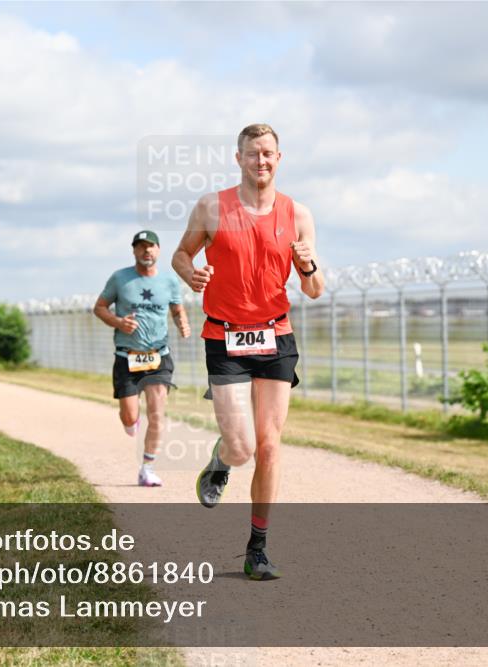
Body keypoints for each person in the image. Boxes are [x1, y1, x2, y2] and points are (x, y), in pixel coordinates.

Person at [172, 123, 324, 580]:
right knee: (242, 447)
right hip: (225, 338)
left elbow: (314, 289)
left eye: (269, 154)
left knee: (270, 446)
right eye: (253, 154)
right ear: (237, 158)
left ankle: (257, 549)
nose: (262, 161)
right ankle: (222, 461)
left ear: (280, 159)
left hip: (275, 336)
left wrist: (307, 264)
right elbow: (181, 254)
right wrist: (190, 274)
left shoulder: (297, 214)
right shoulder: (211, 208)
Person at [93, 230, 190, 487]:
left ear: (158, 250)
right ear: (134, 251)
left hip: (158, 356)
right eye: (141, 247)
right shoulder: (120, 279)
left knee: (157, 414)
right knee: (129, 416)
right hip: (127, 357)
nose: (146, 251)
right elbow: (99, 307)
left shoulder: (169, 281)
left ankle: (147, 468)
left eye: (151, 246)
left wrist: (183, 324)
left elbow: (177, 309)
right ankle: (131, 420)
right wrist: (117, 321)